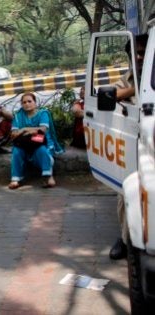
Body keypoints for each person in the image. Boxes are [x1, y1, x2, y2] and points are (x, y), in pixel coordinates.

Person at [109, 33, 148, 261]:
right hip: (134, 145)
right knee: (126, 192)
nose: (140, 57)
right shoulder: (127, 79)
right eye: (137, 53)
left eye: (144, 52)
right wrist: (136, 89)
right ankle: (125, 240)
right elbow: (111, 95)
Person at [8, 92, 63, 189]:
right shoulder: (18, 115)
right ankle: (15, 179)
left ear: (35, 102)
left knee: (41, 150)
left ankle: (49, 177)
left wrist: (24, 129)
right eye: (24, 102)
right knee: (17, 151)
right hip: (24, 143)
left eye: (29, 101)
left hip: (39, 141)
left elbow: (43, 129)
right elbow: (13, 134)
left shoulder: (43, 113)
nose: (27, 104)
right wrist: (32, 130)